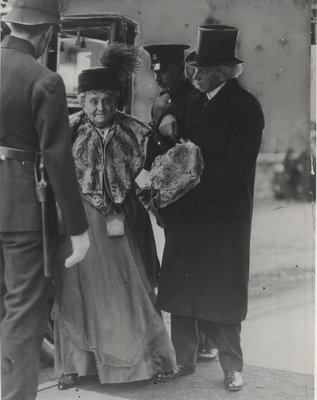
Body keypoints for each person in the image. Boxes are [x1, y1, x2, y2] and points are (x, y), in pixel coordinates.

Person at [54, 43, 177, 390]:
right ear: (82, 98)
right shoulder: (68, 130)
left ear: (116, 99)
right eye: (93, 99)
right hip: (82, 225)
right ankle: (76, 365)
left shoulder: (137, 131)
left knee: (132, 288)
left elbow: (151, 175)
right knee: (78, 294)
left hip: (125, 222)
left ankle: (143, 365)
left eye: (107, 99)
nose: (101, 107)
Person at [155, 25, 265, 391]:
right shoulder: (192, 101)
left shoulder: (246, 107)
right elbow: (173, 145)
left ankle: (232, 367)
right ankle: (182, 361)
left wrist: (188, 185)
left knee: (223, 292)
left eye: (201, 69)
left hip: (222, 215)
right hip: (190, 214)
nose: (194, 74)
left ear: (223, 71)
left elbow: (238, 168)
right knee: (183, 289)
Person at [0, 1, 90, 399]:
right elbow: (57, 161)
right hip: (20, 212)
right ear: (47, 32)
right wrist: (79, 229)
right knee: (22, 314)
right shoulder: (45, 80)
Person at [143, 43, 218, 362]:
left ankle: (207, 339)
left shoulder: (195, 97)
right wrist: (143, 182)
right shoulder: (161, 99)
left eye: (166, 71)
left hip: (193, 195)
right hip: (168, 197)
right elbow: (153, 147)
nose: (159, 78)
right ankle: (193, 341)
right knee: (181, 262)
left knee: (199, 265)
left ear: (181, 69)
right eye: (156, 71)